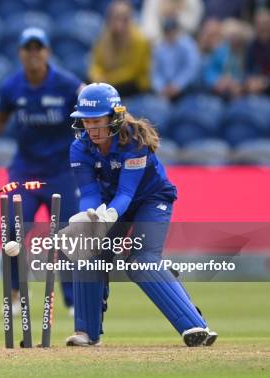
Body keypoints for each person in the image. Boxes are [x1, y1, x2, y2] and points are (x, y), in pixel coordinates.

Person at [61, 83, 218, 347]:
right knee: (87, 252)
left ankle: (194, 326)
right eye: (86, 121)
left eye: (97, 120)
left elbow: (127, 192)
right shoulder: (79, 148)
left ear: (115, 117)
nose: (92, 129)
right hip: (113, 204)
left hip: (151, 200)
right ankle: (87, 333)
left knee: (141, 259)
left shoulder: (134, 141)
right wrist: (88, 218)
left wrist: (109, 214)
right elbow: (89, 192)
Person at [0, 27, 83, 316]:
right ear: (21, 53)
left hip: (62, 171)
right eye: (28, 49)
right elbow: (0, 117)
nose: (33, 54)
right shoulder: (12, 87)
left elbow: (87, 104)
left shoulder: (67, 84)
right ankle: (15, 291)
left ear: (47, 52)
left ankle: (73, 299)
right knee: (11, 229)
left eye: (39, 48)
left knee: (68, 234)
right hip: (25, 172)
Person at [89, 0, 152, 97]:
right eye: (116, 18)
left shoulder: (140, 40)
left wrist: (107, 80)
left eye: (124, 19)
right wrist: (97, 77)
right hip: (107, 82)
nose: (119, 23)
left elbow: (132, 71)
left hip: (133, 84)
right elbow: (96, 63)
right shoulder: (104, 38)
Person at [152, 17, 200, 101]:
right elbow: (155, 71)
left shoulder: (187, 45)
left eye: (172, 31)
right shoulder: (159, 47)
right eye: (167, 31)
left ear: (177, 30)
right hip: (164, 91)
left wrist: (178, 85)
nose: (170, 34)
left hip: (186, 90)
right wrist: (161, 87)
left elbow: (192, 68)